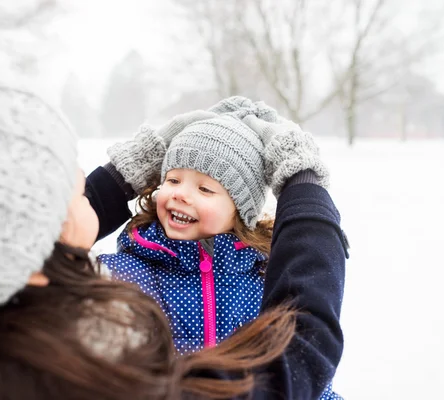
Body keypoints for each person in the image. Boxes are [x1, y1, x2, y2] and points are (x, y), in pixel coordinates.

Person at [0, 65, 346, 400]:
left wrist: (125, 172)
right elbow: (297, 357)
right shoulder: (111, 370)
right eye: (68, 185)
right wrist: (304, 189)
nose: (89, 182)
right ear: (28, 261)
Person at [98, 97, 345, 399]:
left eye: (204, 188)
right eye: (173, 179)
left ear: (240, 211)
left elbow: (306, 374)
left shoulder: (266, 277)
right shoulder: (126, 273)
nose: (182, 195)